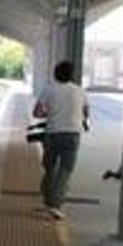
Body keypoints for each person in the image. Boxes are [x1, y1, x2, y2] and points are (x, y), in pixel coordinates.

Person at [33, 59, 89, 221]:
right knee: (65, 170)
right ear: (72, 75)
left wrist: (49, 114)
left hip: (52, 134)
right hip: (73, 135)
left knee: (49, 168)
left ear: (55, 74)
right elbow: (86, 113)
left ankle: (48, 198)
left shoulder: (48, 90)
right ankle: (54, 205)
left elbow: (36, 113)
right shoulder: (80, 91)